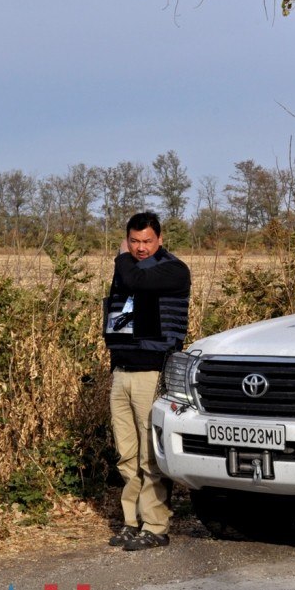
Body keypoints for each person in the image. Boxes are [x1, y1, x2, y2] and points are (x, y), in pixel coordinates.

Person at [103, 211, 190, 551]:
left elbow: (136, 282)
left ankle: (155, 525)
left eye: (147, 241)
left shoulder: (173, 270)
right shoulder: (125, 269)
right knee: (126, 454)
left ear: (160, 239)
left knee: (149, 455)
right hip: (122, 371)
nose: (140, 248)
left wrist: (122, 255)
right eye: (134, 241)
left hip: (152, 372)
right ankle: (130, 522)